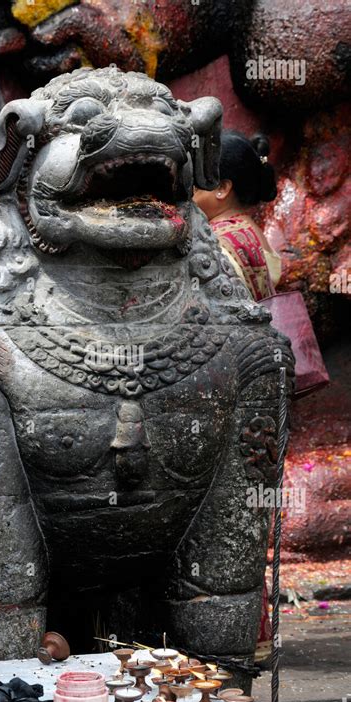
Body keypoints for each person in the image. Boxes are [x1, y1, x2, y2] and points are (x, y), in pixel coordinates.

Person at [194, 130, 280, 662]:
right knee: (247, 515)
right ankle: (257, 633)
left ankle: (239, 635)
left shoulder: (221, 241)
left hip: (233, 390)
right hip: (259, 391)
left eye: (199, 179)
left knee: (226, 517)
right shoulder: (252, 233)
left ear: (222, 187)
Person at [194, 129, 281, 301]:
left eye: (197, 182)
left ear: (222, 188)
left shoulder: (214, 245)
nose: (187, 191)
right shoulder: (253, 231)